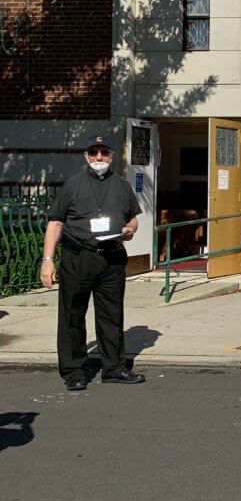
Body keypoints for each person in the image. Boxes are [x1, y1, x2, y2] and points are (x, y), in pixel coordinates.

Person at [40, 134, 146, 390]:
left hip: (112, 258)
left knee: (112, 315)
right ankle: (74, 371)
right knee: (72, 315)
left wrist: (130, 230)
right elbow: (55, 223)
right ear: (86, 156)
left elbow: (133, 219)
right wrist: (47, 260)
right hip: (79, 257)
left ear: (112, 155)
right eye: (94, 152)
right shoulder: (73, 185)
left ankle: (114, 368)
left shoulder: (122, 186)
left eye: (104, 152)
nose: (99, 157)